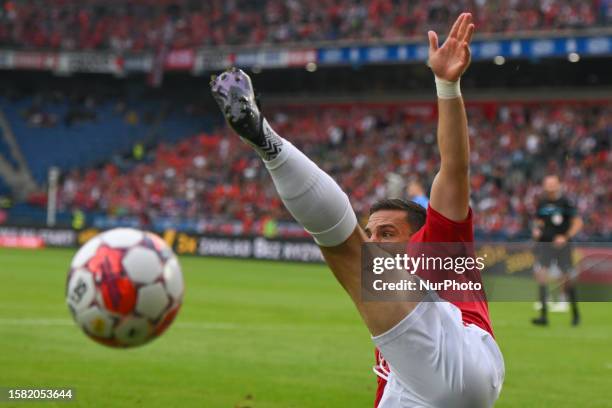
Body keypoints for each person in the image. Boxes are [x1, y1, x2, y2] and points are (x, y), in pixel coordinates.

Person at [211, 13, 504, 408]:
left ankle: (266, 140)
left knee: (342, 248)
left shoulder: (441, 247)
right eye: (373, 232)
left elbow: (454, 168)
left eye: (387, 233)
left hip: (459, 356)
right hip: (418, 389)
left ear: (421, 234)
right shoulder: (389, 311)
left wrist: (447, 86)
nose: (376, 242)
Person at [532, 174, 583, 326]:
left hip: (563, 246)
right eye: (547, 183)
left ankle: (575, 314)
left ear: (558, 185)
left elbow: (578, 222)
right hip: (546, 245)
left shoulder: (566, 202)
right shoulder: (542, 202)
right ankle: (543, 316)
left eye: (553, 183)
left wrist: (565, 236)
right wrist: (537, 230)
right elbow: (538, 221)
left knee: (567, 276)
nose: (550, 186)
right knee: (541, 275)